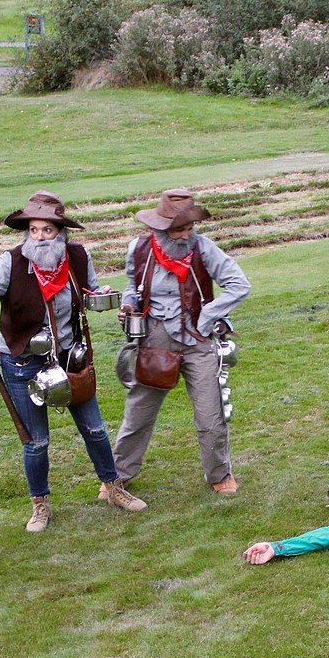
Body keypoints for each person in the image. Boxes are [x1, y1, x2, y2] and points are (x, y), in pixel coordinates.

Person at [0, 191, 146, 532]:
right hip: (22, 362)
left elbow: (89, 292)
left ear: (61, 232)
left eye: (48, 230)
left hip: (69, 358)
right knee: (37, 442)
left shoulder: (76, 255)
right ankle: (40, 506)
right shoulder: (10, 262)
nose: (40, 237)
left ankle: (113, 487)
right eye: (34, 230)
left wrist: (103, 296)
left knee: (95, 429)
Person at [110, 188, 251, 496]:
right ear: (158, 228)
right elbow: (133, 288)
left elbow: (240, 285)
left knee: (210, 414)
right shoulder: (139, 249)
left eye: (189, 228)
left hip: (198, 340)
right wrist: (129, 306)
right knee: (139, 412)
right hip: (154, 339)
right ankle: (118, 477)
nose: (185, 235)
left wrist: (208, 315)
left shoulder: (203, 248)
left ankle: (219, 474)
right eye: (178, 230)